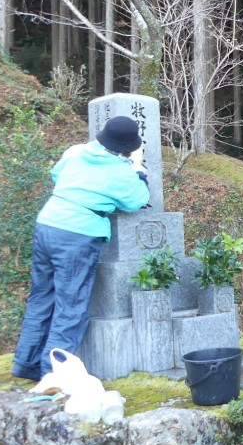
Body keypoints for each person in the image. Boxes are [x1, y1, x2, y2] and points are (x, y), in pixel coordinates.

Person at [11, 116, 151, 380]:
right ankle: (53, 375)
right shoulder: (121, 171)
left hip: (47, 223)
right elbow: (138, 200)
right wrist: (139, 171)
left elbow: (56, 174)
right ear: (129, 147)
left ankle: (25, 362)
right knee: (71, 305)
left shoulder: (76, 151)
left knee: (42, 296)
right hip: (77, 234)